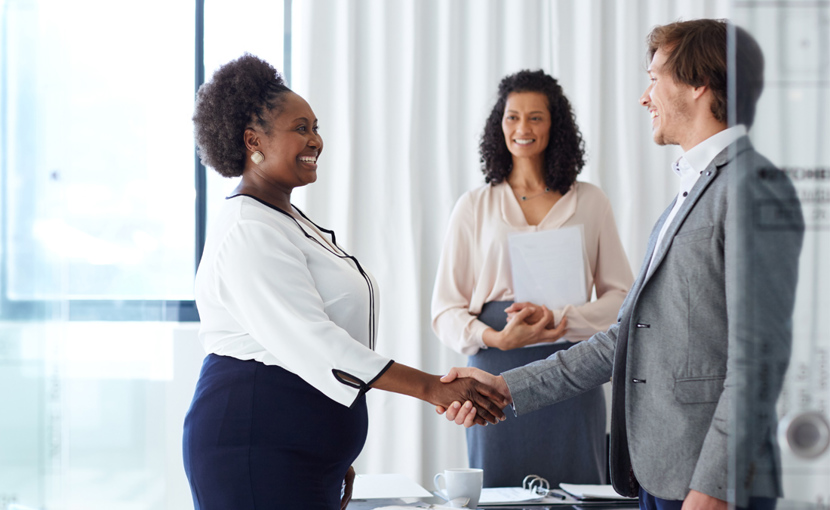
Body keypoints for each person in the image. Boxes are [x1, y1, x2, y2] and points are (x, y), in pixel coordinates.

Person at [438, 20, 804, 510]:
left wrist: (715, 487)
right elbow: (628, 336)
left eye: (654, 78)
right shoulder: (689, 193)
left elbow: (758, 359)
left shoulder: (752, 187)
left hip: (706, 485)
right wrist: (506, 385)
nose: (644, 96)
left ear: (698, 85)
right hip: (660, 473)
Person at [182, 54, 507, 510]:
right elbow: (319, 345)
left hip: (298, 454)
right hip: (255, 450)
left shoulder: (286, 220)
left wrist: (332, 451)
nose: (316, 139)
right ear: (254, 140)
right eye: (300, 128)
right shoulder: (247, 229)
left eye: (316, 127)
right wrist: (433, 386)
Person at [431, 69, 634, 487]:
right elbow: (445, 309)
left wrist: (562, 320)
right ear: (499, 124)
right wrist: (497, 339)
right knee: (499, 489)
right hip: (494, 372)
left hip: (573, 368)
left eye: (536, 117)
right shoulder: (474, 206)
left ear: (554, 123)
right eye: (512, 117)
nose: (522, 128)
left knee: (578, 487)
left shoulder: (590, 201)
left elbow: (623, 298)